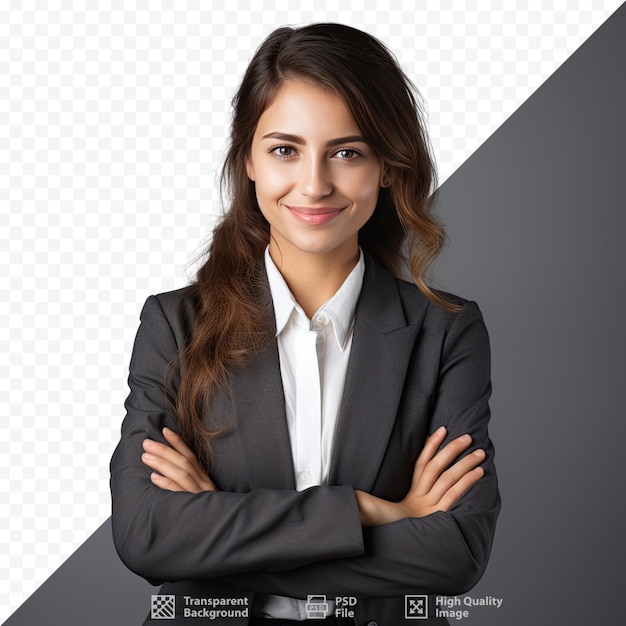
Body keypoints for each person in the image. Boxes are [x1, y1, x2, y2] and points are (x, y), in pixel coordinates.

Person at [110, 23, 500, 625]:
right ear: (249, 161)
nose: (314, 184)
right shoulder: (175, 325)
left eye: (347, 152)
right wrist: (370, 513)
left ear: (388, 167)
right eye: (284, 149)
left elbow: (455, 553)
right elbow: (146, 535)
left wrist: (215, 528)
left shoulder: (446, 332)